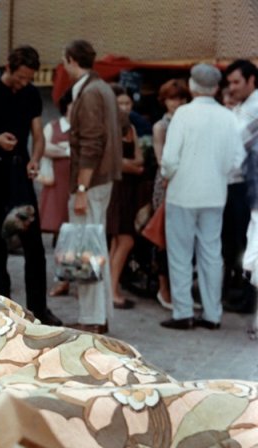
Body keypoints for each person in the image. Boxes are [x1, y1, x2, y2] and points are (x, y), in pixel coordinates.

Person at [0, 46, 61, 326]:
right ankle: (2, 310)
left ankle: (39, 310)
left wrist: (35, 159)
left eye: (29, 78)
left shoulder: (30, 94)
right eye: (20, 77)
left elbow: (38, 136)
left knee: (34, 246)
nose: (24, 83)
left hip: (19, 173)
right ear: (8, 67)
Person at [159, 63, 245, 330]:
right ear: (217, 88)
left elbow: (169, 159)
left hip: (182, 193)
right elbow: (237, 160)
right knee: (211, 253)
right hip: (215, 194)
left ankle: (183, 312)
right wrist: (219, 176)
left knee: (180, 254)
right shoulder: (228, 117)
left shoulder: (183, 114)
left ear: (192, 86)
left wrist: (167, 175)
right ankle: (212, 314)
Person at [62, 39, 122, 334]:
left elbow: (91, 144)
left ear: (71, 60)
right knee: (96, 249)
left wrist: (81, 189)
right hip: (102, 180)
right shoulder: (103, 88)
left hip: (91, 182)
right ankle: (100, 316)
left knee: (85, 250)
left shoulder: (88, 93)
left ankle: (91, 319)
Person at [151, 79, 191, 311]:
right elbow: (161, 159)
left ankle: (179, 291)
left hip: (188, 183)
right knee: (163, 238)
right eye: (172, 98)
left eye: (181, 98)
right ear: (164, 100)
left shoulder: (189, 121)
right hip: (166, 182)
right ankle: (163, 287)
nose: (177, 103)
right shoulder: (161, 126)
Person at [222, 59, 258, 314]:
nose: (232, 88)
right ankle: (241, 293)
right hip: (238, 183)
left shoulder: (254, 107)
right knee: (238, 240)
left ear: (251, 80)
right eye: (230, 83)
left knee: (247, 242)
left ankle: (248, 298)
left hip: (247, 185)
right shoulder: (243, 106)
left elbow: (234, 140)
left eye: (236, 82)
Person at [107, 84, 144, 310]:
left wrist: (127, 165)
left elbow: (139, 158)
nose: (124, 107)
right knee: (124, 239)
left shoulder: (131, 127)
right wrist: (130, 166)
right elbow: (112, 162)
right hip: (116, 188)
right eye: (120, 103)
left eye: (127, 103)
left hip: (128, 188)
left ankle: (111, 289)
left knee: (118, 241)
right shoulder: (110, 126)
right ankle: (112, 291)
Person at [38, 90, 73, 297]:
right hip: (58, 184)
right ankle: (62, 278)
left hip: (75, 184)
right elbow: (43, 148)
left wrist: (61, 149)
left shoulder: (84, 127)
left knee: (76, 233)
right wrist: (68, 150)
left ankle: (72, 276)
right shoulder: (53, 126)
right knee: (61, 234)